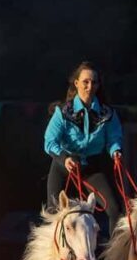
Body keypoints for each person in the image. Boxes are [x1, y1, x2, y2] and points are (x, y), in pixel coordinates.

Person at [44, 61, 123, 237]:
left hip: (90, 168)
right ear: (77, 83)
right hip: (63, 166)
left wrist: (115, 150)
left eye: (94, 82)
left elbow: (113, 138)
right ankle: (52, 259)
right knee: (52, 213)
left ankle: (114, 258)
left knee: (115, 210)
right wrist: (65, 158)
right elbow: (49, 142)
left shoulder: (107, 113)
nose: (90, 86)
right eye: (86, 82)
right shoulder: (62, 112)